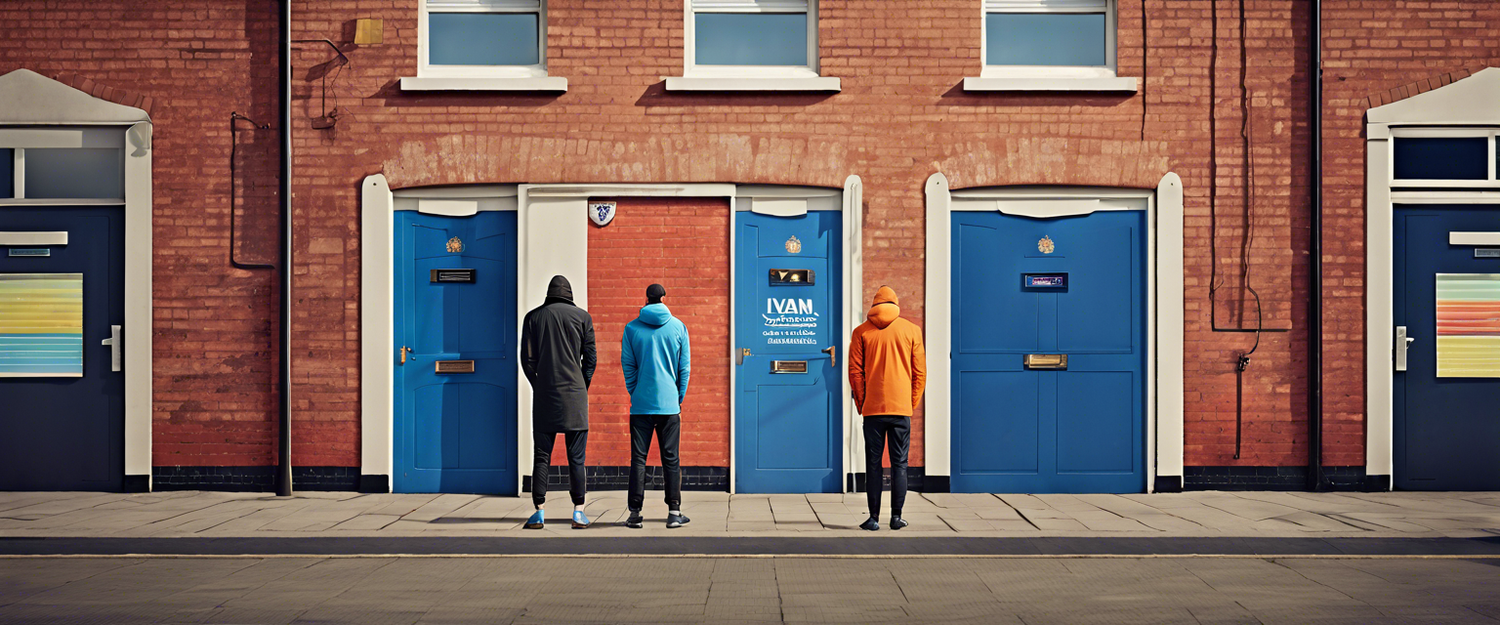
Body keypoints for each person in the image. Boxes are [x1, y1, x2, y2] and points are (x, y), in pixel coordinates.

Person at [520, 275, 597, 529]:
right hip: (575, 397)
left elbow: (527, 361)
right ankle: (578, 512)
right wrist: (581, 386)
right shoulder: (583, 318)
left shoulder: (533, 317)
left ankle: (539, 511)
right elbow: (591, 359)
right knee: (577, 458)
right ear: (570, 294)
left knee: (542, 455)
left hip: (545, 397)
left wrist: (539, 384)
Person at [848, 285, 926, 531]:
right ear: (895, 304)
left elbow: (855, 373)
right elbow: (920, 373)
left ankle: (872, 519)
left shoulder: (861, 332)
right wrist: (909, 403)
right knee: (899, 463)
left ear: (874, 305)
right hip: (900, 409)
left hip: (873, 409)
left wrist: (862, 403)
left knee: (873, 463)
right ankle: (896, 517)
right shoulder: (912, 330)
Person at [621, 284, 692, 529]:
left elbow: (628, 367)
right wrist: (677, 397)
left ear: (647, 299)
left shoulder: (631, 328)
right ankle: (674, 512)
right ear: (663, 298)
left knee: (638, 459)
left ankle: (634, 514)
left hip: (640, 405)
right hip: (669, 405)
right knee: (671, 459)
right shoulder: (679, 327)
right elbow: (684, 369)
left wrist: (636, 391)